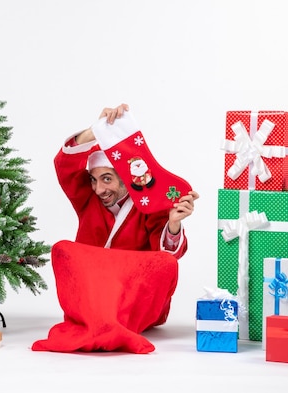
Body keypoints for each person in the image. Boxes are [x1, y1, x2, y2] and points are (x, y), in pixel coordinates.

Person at [31, 103, 199, 354]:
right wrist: (94, 131)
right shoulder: (87, 198)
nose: (99, 190)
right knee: (63, 249)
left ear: (125, 177)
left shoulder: (149, 204)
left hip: (132, 301)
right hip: (92, 296)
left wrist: (173, 224)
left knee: (167, 264)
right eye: (94, 180)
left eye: (107, 179)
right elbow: (64, 165)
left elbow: (167, 255)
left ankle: (109, 325)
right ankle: (102, 323)